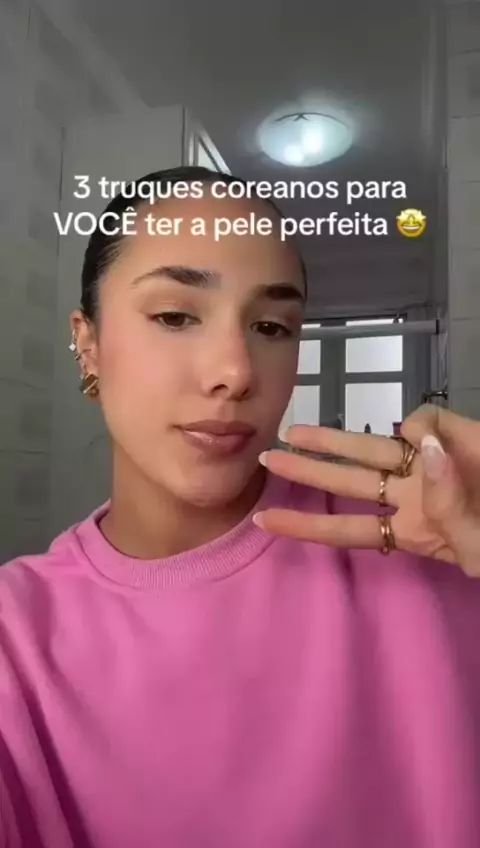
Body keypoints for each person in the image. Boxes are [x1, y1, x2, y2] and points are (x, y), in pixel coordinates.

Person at [0, 166, 479, 848]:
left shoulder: (425, 541)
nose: (236, 372)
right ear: (88, 342)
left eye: (272, 326)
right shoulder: (17, 638)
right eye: (174, 316)